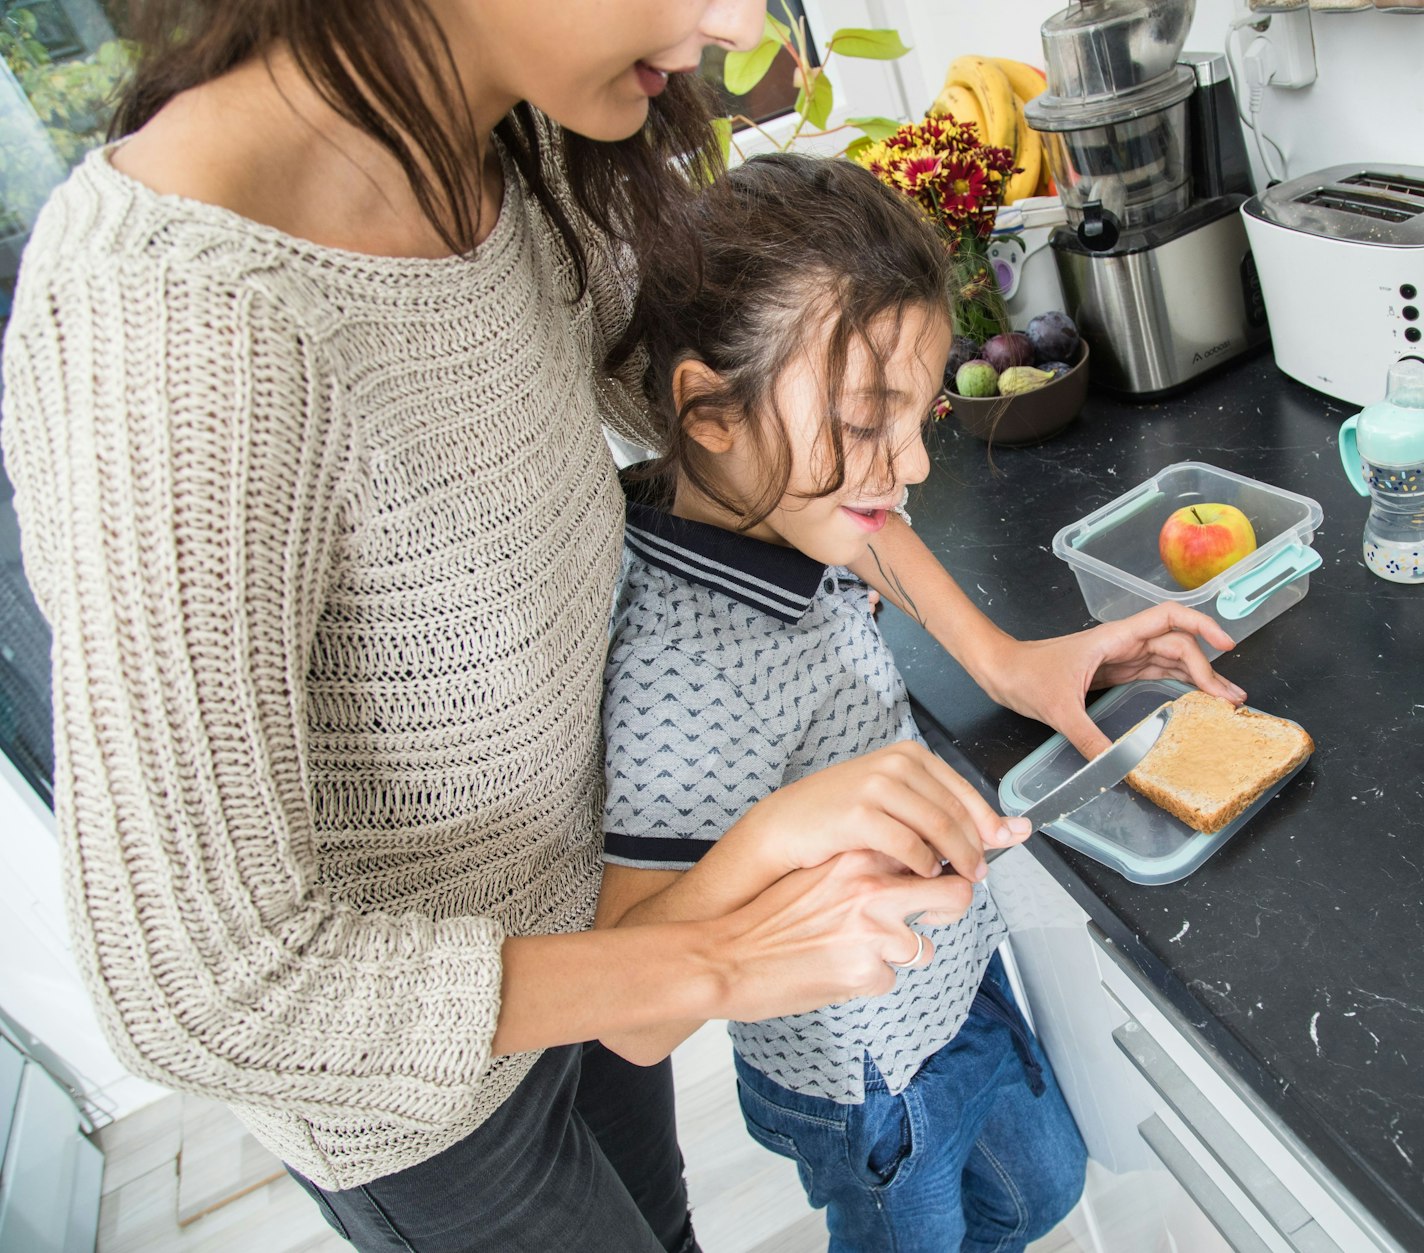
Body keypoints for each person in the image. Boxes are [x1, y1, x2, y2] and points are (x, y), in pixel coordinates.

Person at [0, 1, 1243, 1249]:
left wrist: (1004, 661)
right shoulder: (172, 326)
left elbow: (783, 453)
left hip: (591, 943)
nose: (734, 19)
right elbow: (207, 990)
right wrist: (724, 950)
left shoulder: (518, 161)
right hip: (430, 1103)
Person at [591, 151, 1230, 1251]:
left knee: (1041, 1186)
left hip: (950, 980)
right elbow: (634, 1014)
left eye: (917, 422)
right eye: (863, 423)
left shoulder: (781, 502)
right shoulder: (684, 670)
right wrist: (776, 830)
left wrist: (1004, 659)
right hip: (861, 1071)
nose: (910, 470)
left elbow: (871, 524)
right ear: (706, 411)